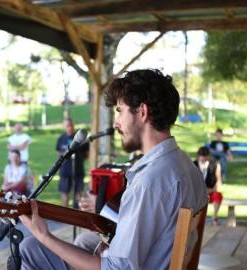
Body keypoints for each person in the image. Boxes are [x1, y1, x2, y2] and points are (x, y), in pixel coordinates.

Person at [18, 69, 208, 270]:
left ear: (142, 112)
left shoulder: (149, 182)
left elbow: (115, 269)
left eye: (120, 111)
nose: (117, 123)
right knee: (87, 242)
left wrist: (44, 235)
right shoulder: (187, 166)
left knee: (31, 247)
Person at [56, 118, 89, 207]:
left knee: (78, 194)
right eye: (67, 126)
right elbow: (58, 152)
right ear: (64, 127)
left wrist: (79, 159)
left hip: (78, 171)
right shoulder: (61, 138)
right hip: (65, 171)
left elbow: (87, 153)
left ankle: (78, 215)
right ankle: (64, 217)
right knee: (65, 194)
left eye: (71, 125)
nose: (70, 128)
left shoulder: (81, 138)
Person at [194, 146, 223, 225]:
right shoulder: (193, 165)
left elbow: (219, 181)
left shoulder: (215, 164)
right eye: (201, 158)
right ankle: (196, 219)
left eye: (205, 158)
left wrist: (211, 189)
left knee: (218, 196)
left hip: (211, 190)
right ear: (198, 156)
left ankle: (214, 217)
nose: (203, 160)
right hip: (197, 192)